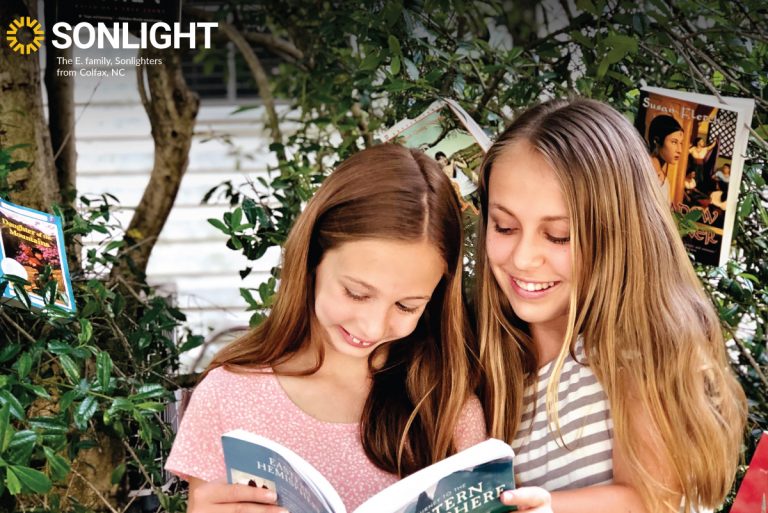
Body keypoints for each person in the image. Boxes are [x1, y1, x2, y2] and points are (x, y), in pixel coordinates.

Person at [166, 144, 487, 512]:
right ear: (313, 259)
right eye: (356, 293)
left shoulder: (446, 406)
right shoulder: (228, 394)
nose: (372, 325)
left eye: (406, 306)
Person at [474, 99, 746, 513]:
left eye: (560, 236)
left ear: (618, 232)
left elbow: (657, 500)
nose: (524, 257)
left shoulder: (640, 348)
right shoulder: (491, 356)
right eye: (505, 226)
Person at [647, 114, 684, 201]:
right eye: (674, 142)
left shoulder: (664, 180)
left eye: (681, 143)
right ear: (656, 140)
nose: (680, 150)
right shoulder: (645, 171)